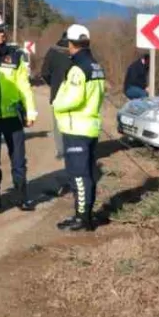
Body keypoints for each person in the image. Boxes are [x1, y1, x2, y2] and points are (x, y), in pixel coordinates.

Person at [0, 12, 38, 212]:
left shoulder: (15, 55)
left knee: (19, 160)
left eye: (2, 28)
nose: (1, 33)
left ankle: (22, 197)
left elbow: (24, 85)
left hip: (13, 117)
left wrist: (31, 111)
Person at [52, 23, 106, 232]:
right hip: (90, 126)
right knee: (88, 173)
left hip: (77, 128)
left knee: (79, 175)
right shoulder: (96, 66)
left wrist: (57, 103)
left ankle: (82, 218)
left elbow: (73, 98)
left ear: (72, 44)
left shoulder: (78, 68)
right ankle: (85, 215)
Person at [40, 31, 72, 160]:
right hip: (76, 94)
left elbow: (45, 72)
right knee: (73, 123)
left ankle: (61, 151)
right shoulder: (78, 52)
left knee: (58, 124)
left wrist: (53, 83)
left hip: (57, 93)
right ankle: (73, 149)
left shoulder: (52, 51)